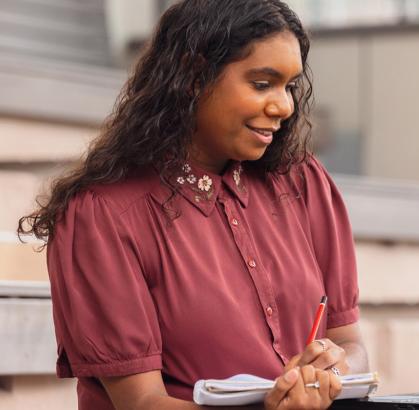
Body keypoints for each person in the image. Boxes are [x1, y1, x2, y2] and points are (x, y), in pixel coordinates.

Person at [17, 1, 369, 409]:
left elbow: (350, 343)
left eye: (289, 86)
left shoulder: (302, 182)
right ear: (193, 76)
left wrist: (331, 371)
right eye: (261, 84)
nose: (284, 106)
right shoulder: (102, 215)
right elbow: (140, 403)